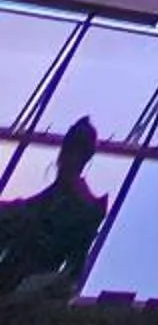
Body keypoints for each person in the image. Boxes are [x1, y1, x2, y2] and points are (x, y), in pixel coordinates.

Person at [0, 119, 108, 301]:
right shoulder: (47, 202)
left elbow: (73, 270)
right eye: (68, 150)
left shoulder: (85, 209)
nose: (66, 157)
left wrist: (38, 286)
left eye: (74, 151)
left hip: (28, 290)